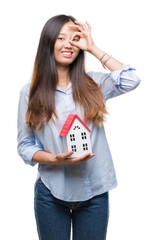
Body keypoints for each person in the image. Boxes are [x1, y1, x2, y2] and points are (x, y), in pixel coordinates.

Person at [17, 14, 141, 240]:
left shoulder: (94, 84)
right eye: (60, 38)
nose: (68, 44)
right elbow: (25, 145)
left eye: (74, 39)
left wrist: (93, 47)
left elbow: (131, 79)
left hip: (94, 193)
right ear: (49, 43)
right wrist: (55, 159)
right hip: (51, 193)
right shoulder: (29, 92)